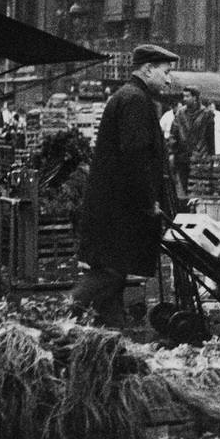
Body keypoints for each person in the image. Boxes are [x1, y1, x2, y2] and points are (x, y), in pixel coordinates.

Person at [72, 43, 179, 325]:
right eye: (165, 72)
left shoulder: (130, 96)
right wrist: (149, 201)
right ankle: (62, 316)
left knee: (112, 278)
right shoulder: (135, 100)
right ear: (147, 69)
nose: (169, 80)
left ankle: (112, 334)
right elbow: (137, 155)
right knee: (108, 272)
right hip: (118, 212)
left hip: (112, 208)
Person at [168, 85, 215, 199]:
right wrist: (172, 153)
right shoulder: (180, 114)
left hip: (200, 158)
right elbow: (173, 135)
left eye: (187, 96)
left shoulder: (206, 114)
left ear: (195, 98)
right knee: (184, 189)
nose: (184, 99)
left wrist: (211, 158)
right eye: (184, 96)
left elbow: (210, 139)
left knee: (199, 190)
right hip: (183, 158)